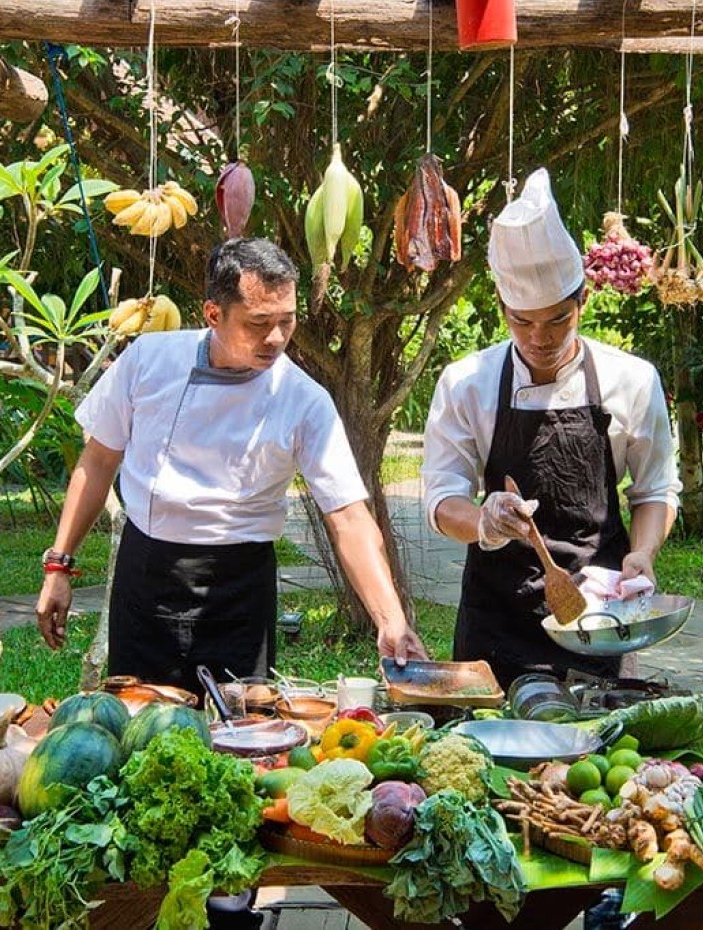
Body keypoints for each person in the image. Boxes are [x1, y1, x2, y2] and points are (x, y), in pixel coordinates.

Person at [36, 237, 427, 697]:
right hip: (147, 576)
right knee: (140, 729)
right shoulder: (147, 361)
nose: (277, 338)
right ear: (213, 315)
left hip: (241, 587)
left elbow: (349, 517)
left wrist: (390, 619)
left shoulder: (303, 400)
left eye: (287, 321)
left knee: (241, 736)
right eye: (259, 323)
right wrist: (59, 567)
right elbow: (99, 460)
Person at [422, 169, 681, 687]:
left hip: (599, 617)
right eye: (522, 321)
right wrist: (483, 522)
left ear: (583, 301)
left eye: (557, 320)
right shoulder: (466, 384)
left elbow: (655, 489)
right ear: (502, 308)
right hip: (496, 620)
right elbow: (440, 498)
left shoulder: (630, 379)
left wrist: (642, 554)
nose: (539, 337)